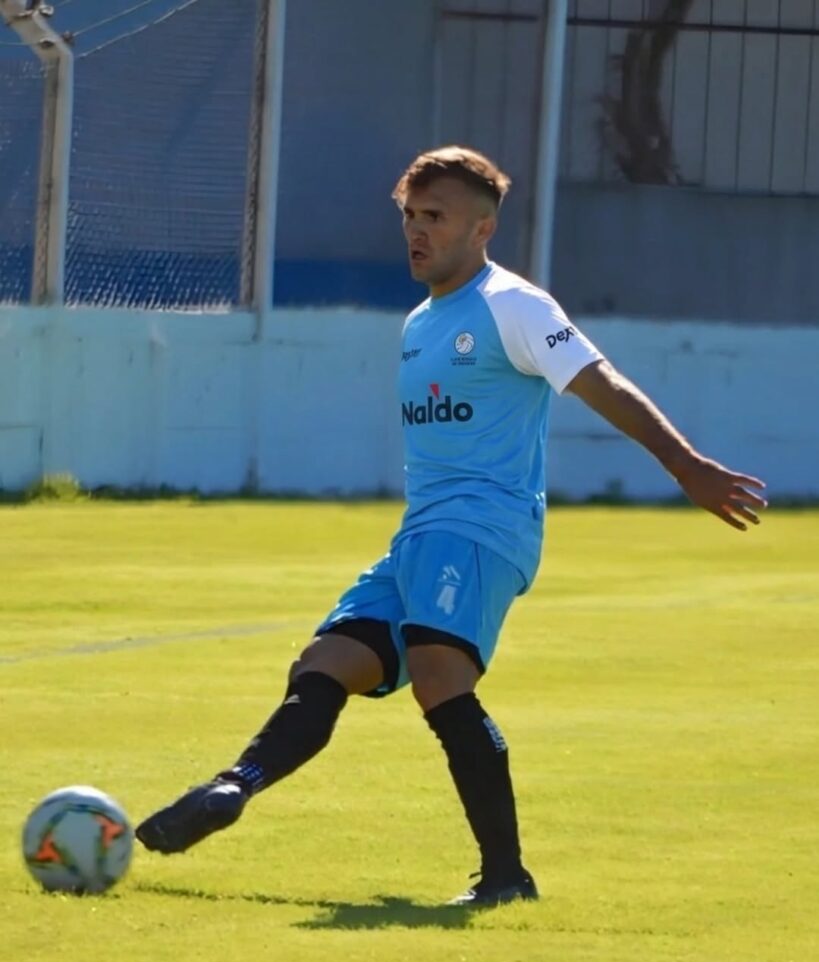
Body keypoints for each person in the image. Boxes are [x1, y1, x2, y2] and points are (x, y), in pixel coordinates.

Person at [136, 146, 767, 906]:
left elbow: (598, 382)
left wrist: (684, 464)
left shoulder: (514, 306)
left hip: (483, 527)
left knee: (439, 679)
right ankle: (233, 787)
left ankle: (506, 876)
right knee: (327, 662)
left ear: (482, 227)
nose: (416, 230)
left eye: (434, 216)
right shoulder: (419, 321)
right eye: (409, 215)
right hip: (420, 536)